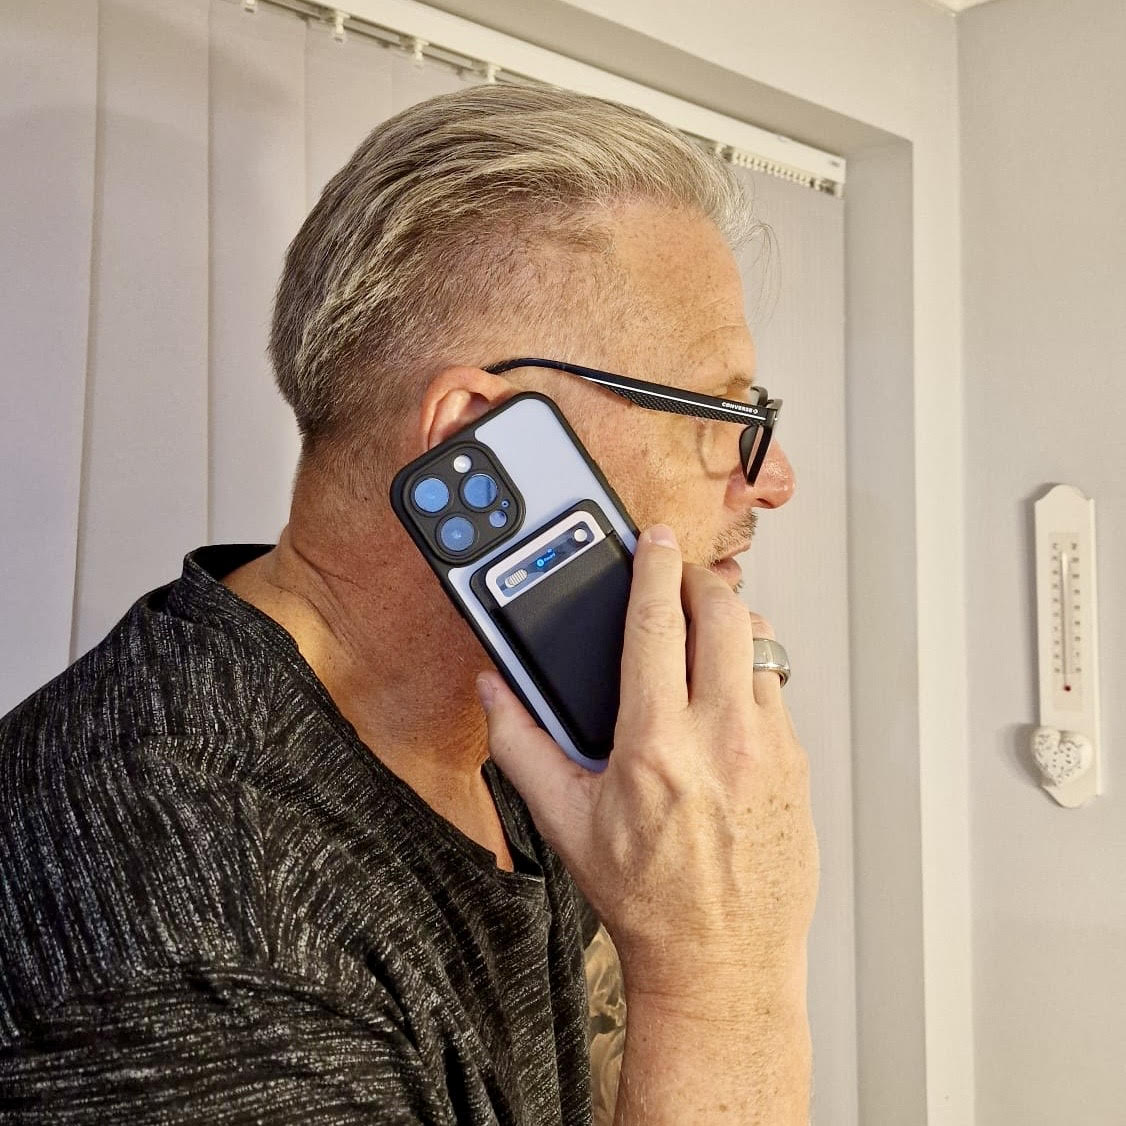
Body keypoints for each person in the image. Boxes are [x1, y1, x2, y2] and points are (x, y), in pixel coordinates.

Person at [0, 85, 818, 1123]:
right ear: (475, 435)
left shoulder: (533, 731)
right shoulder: (198, 911)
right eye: (723, 415)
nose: (772, 479)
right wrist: (724, 974)